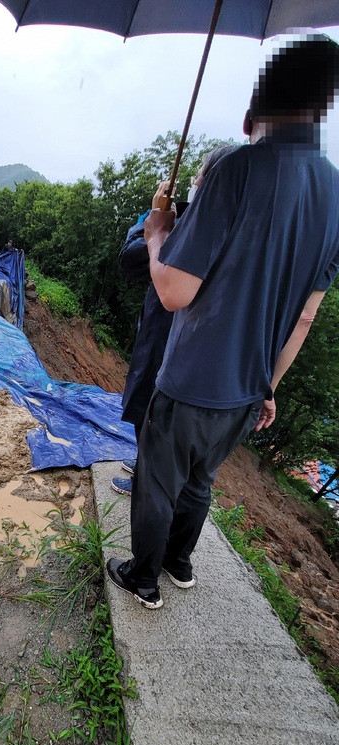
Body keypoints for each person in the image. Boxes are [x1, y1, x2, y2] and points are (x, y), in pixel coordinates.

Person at [107, 33, 339, 610]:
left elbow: (174, 291)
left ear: (253, 110)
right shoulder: (335, 193)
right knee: (201, 480)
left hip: (193, 375)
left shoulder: (237, 169)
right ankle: (181, 563)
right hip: (249, 387)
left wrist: (159, 229)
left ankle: (144, 575)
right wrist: (270, 386)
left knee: (157, 482)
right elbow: (307, 315)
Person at [112, 145, 238, 496]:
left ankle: (145, 481)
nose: (194, 182)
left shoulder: (188, 225)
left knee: (148, 404)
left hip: (167, 332)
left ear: (208, 183)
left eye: (199, 176)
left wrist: (153, 217)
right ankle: (148, 470)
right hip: (208, 349)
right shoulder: (242, 226)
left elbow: (131, 261)